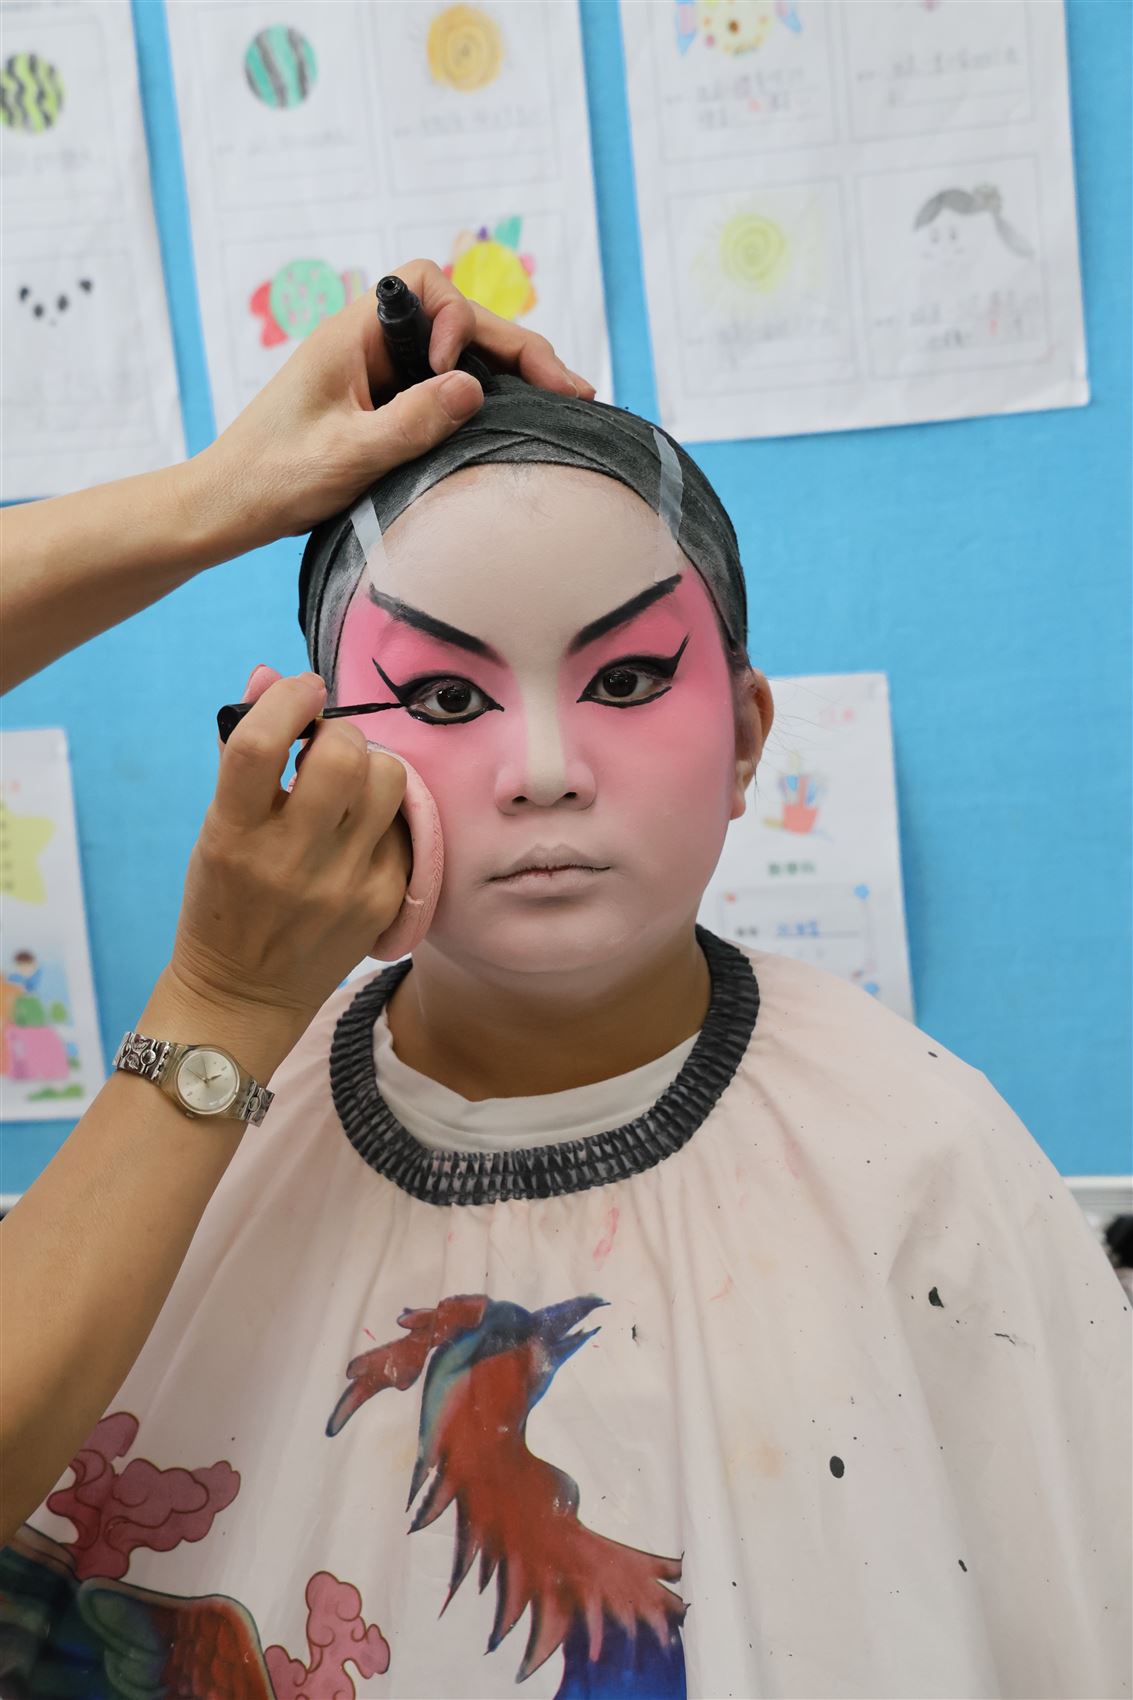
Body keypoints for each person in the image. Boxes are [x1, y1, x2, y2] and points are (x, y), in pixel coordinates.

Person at [2, 367, 1130, 1698]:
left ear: (747, 733)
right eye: (444, 698)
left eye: (630, 676)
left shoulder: (927, 1160)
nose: (544, 769)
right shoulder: (194, 1146)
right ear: (315, 753)